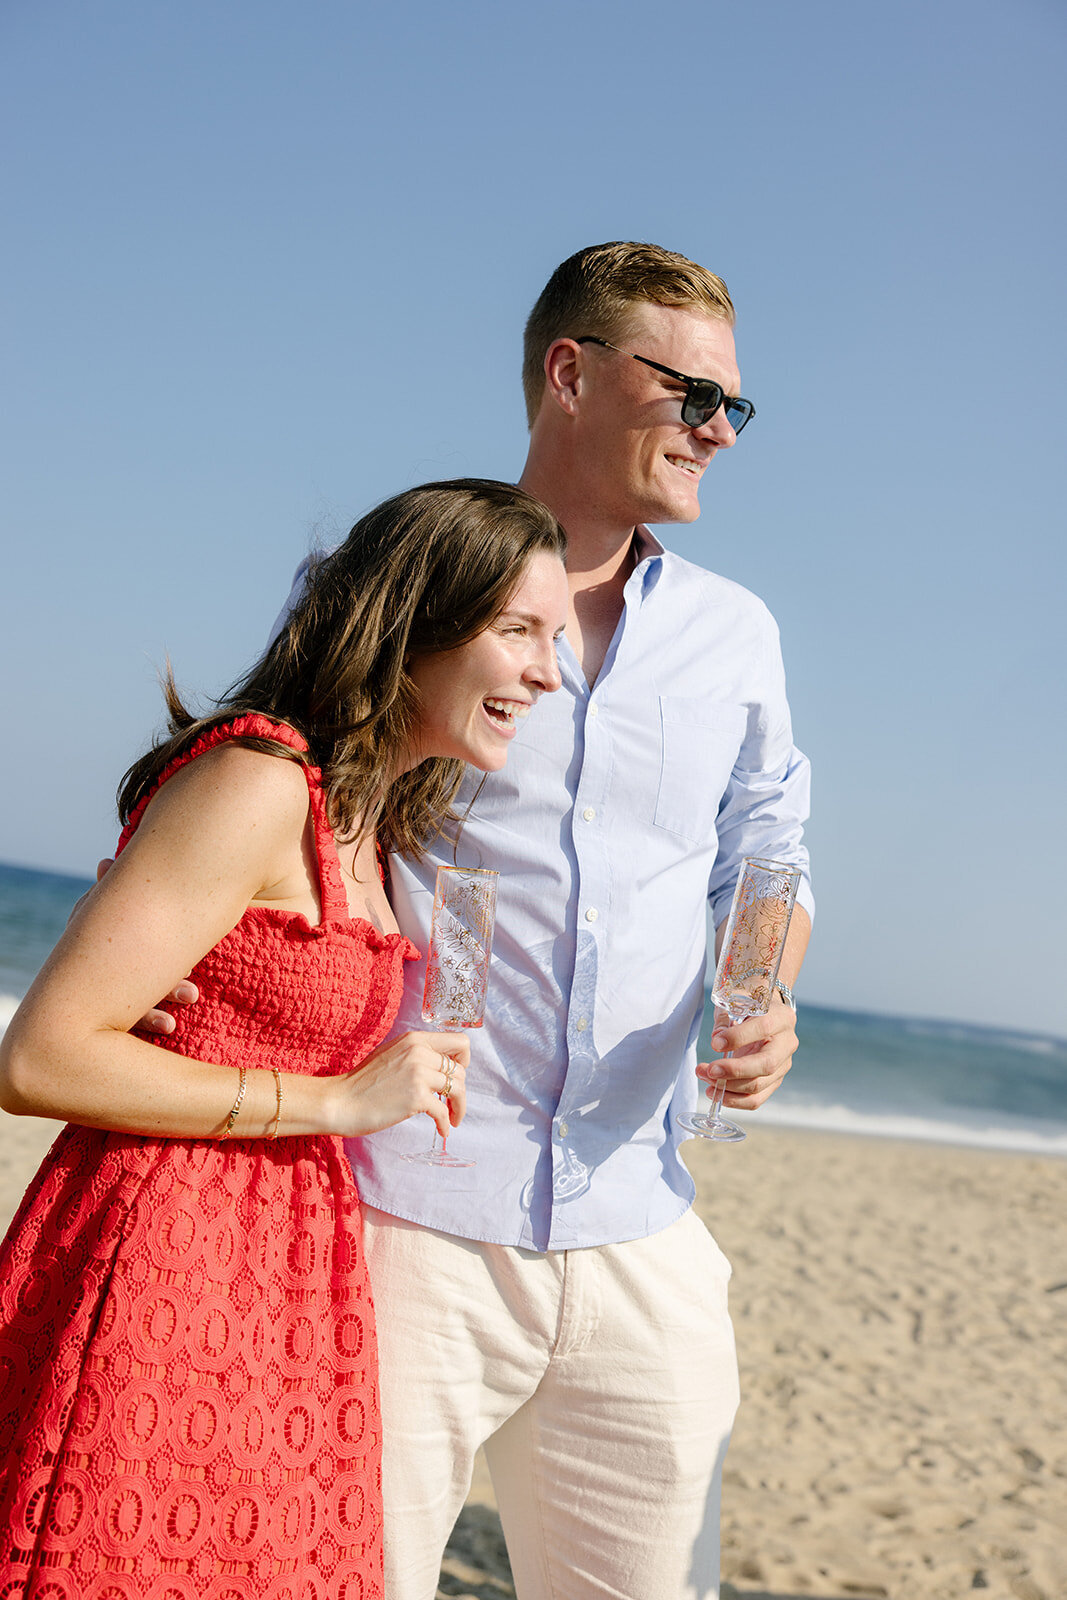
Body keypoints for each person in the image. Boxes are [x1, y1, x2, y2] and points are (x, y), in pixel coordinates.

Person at [133, 241, 814, 1598]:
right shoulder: (395, 582)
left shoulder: (734, 635)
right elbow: (280, 802)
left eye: (734, 405)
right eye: (691, 395)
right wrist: (192, 985)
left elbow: (768, 855)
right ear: (569, 373)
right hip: (408, 1217)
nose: (717, 431)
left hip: (640, 1221)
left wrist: (761, 995)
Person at [0, 480, 569, 1598]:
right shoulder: (257, 781)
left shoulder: (383, 824)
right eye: (517, 631)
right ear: (416, 623)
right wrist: (334, 1101)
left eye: (554, 639)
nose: (547, 671)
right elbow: (39, 1056)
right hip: (160, 1256)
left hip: (288, 1279)